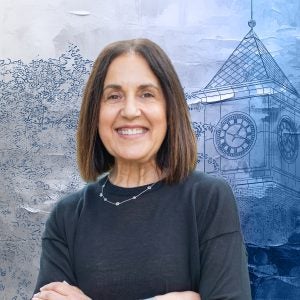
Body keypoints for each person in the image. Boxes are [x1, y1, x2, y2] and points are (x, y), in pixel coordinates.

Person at [32, 38, 251, 300]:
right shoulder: (67, 217)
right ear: (95, 112)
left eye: (147, 94)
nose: (130, 110)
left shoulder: (207, 199)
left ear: (170, 109)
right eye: (114, 96)